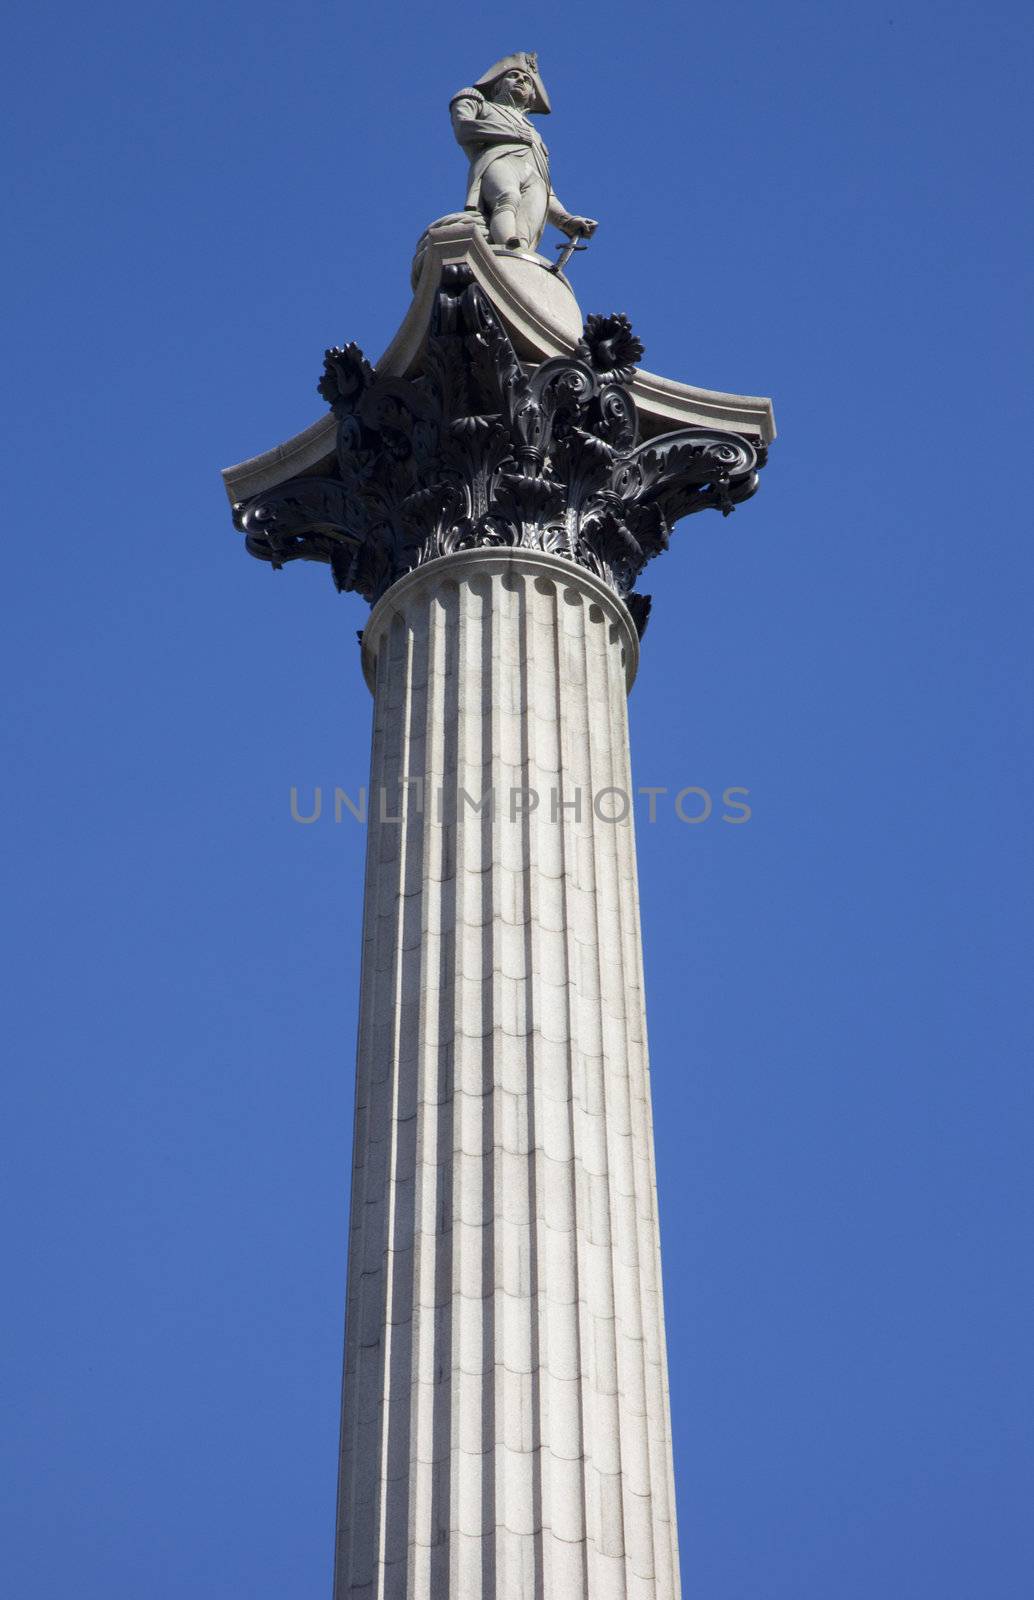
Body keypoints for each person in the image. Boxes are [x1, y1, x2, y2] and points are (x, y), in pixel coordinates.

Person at [450, 52, 598, 255]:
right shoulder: (482, 105)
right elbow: (464, 130)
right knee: (507, 197)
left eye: (527, 80)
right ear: (498, 85)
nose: (521, 80)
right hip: (499, 159)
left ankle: (520, 253)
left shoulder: (536, 136)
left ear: (531, 95)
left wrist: (567, 221)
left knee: (529, 219)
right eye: (513, 76)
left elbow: (549, 192)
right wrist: (512, 133)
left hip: (534, 178)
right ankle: (506, 243)